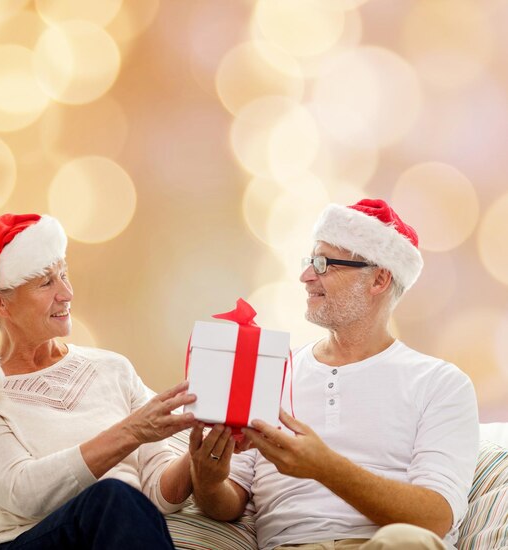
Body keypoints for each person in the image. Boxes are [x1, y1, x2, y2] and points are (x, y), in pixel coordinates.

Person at [189, 198, 479, 550]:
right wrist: (207, 483)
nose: (306, 276)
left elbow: (434, 519)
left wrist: (324, 467)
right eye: (310, 261)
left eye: (324, 263)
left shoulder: (440, 383)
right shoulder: (273, 371)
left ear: (379, 280)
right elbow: (228, 502)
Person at [0, 213, 197, 550]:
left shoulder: (113, 368)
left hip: (116, 534)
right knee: (112, 497)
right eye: (46, 283)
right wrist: (131, 431)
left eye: (64, 274)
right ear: (0, 302)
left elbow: (159, 494)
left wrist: (199, 454)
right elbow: (23, 492)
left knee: (117, 502)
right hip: (27, 542)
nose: (66, 292)